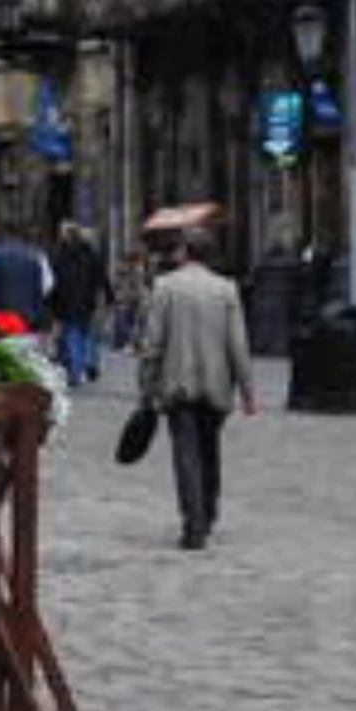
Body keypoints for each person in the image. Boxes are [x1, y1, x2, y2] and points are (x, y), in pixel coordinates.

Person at [137, 229, 257, 551]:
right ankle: (209, 510)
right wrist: (247, 391)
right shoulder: (226, 289)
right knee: (209, 449)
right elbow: (238, 344)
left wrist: (146, 385)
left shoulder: (166, 287)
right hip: (217, 385)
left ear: (185, 252)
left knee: (186, 454)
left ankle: (194, 524)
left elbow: (153, 343)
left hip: (178, 384)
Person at [48, 222, 112, 387]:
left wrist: (51, 302)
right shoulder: (91, 253)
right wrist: (110, 296)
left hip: (66, 303)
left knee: (73, 336)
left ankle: (76, 372)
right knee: (86, 334)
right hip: (87, 301)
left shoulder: (58, 255)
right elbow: (102, 277)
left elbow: (53, 282)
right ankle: (88, 363)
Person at [0, 225, 52, 330]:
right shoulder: (33, 257)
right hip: (28, 317)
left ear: (3, 236)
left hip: (2, 317)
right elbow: (38, 291)